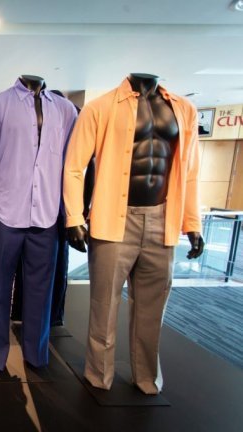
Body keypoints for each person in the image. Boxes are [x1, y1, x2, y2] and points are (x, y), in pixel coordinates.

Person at [63, 73, 204, 394]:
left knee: (152, 308)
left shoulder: (184, 109)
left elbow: (191, 172)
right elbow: (74, 166)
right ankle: (98, 375)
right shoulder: (101, 107)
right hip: (113, 217)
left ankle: (146, 377)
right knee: (104, 304)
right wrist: (74, 217)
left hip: (163, 218)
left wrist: (192, 223)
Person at [0, 76, 77, 370]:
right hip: (5, 213)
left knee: (41, 292)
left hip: (47, 214)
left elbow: (73, 165)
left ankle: (35, 354)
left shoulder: (66, 110)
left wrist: (73, 213)